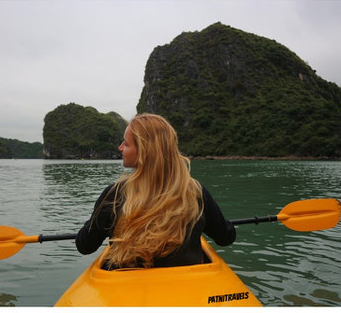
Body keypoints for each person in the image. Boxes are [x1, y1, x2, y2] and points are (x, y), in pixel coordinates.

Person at [75, 113, 236, 269]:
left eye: (126, 143)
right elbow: (226, 237)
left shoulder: (114, 194)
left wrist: (94, 221)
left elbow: (85, 245)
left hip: (126, 287)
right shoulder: (196, 192)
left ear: (144, 151)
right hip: (185, 286)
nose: (120, 147)